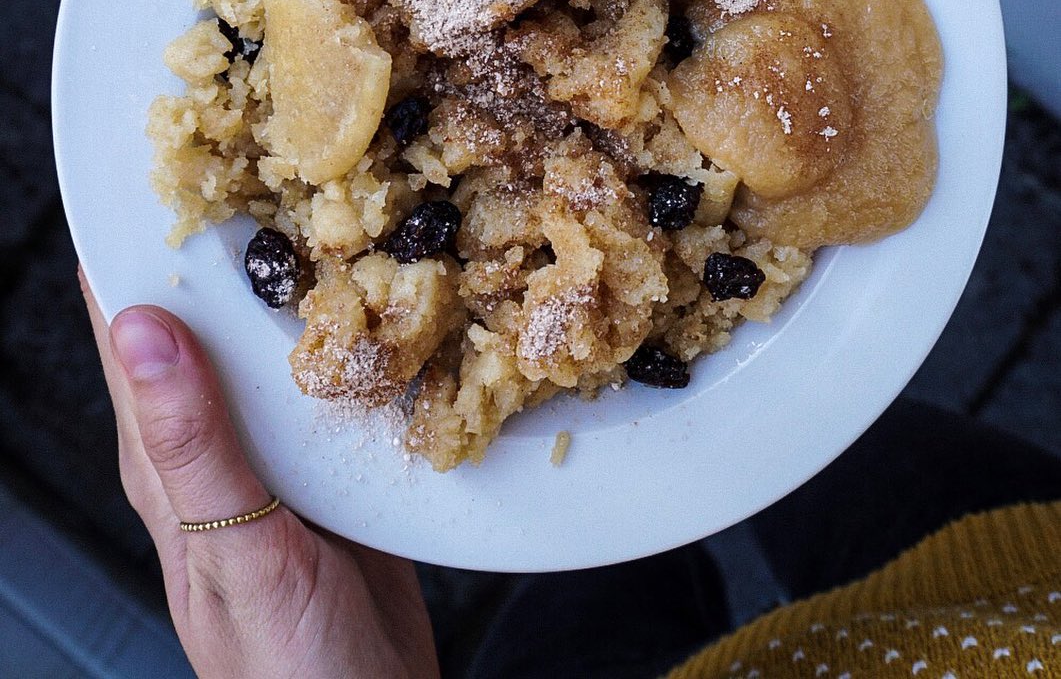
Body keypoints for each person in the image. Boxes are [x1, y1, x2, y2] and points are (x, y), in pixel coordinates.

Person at [82, 276, 1061, 678]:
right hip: (1021, 585)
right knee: (848, 458)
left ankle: (658, 501)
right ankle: (691, 476)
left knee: (591, 583)